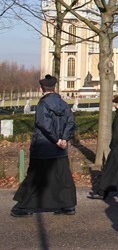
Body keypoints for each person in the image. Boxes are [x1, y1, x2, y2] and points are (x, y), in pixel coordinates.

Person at [11, 74, 77, 217]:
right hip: (60, 149)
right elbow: (71, 122)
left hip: (43, 146)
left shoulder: (42, 104)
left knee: (35, 177)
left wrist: (55, 139)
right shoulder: (64, 104)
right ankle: (67, 205)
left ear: (42, 89)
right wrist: (63, 139)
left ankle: (24, 206)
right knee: (62, 177)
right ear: (55, 88)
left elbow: (44, 124)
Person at [88, 95, 118, 200]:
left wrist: (112, 145)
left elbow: (117, 133)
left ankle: (102, 192)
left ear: (115, 103)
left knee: (109, 170)